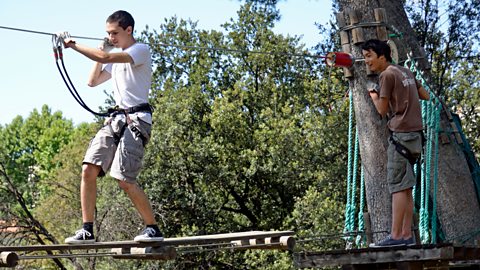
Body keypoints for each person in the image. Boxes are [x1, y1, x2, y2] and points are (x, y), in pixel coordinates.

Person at [63, 10, 163, 244]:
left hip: (137, 119)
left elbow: (106, 59)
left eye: (115, 33)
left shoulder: (139, 51)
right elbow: (92, 81)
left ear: (129, 30)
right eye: (108, 34)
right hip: (116, 118)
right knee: (88, 168)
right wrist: (104, 50)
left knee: (123, 179)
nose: (111, 38)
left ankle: (153, 228)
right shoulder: (115, 57)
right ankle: (87, 230)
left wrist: (75, 46)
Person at [361, 39, 430, 247]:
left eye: (369, 56)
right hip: (415, 136)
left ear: (382, 56)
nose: (367, 62)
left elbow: (382, 111)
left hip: (400, 135)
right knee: (407, 187)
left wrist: (373, 94)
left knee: (398, 187)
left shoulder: (387, 75)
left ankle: (396, 237)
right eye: (364, 57)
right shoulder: (405, 72)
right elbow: (424, 95)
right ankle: (407, 235)